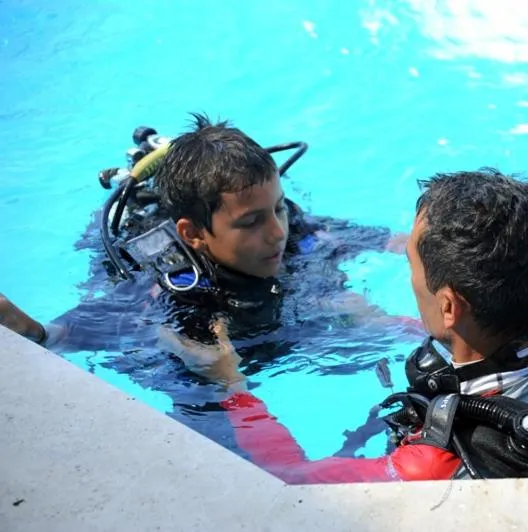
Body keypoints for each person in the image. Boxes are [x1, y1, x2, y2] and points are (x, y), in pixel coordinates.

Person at [178, 167, 528, 484]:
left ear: (449, 306)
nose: (411, 276)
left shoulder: (430, 465)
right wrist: (384, 325)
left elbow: (286, 481)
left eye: (412, 263)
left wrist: (232, 387)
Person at [0, 112, 420, 457]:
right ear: (193, 234)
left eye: (278, 208)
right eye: (251, 222)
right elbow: (59, 337)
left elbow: (383, 241)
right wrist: (29, 331)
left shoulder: (289, 226)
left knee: (352, 310)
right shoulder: (168, 294)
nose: (277, 233)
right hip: (208, 348)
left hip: (273, 320)